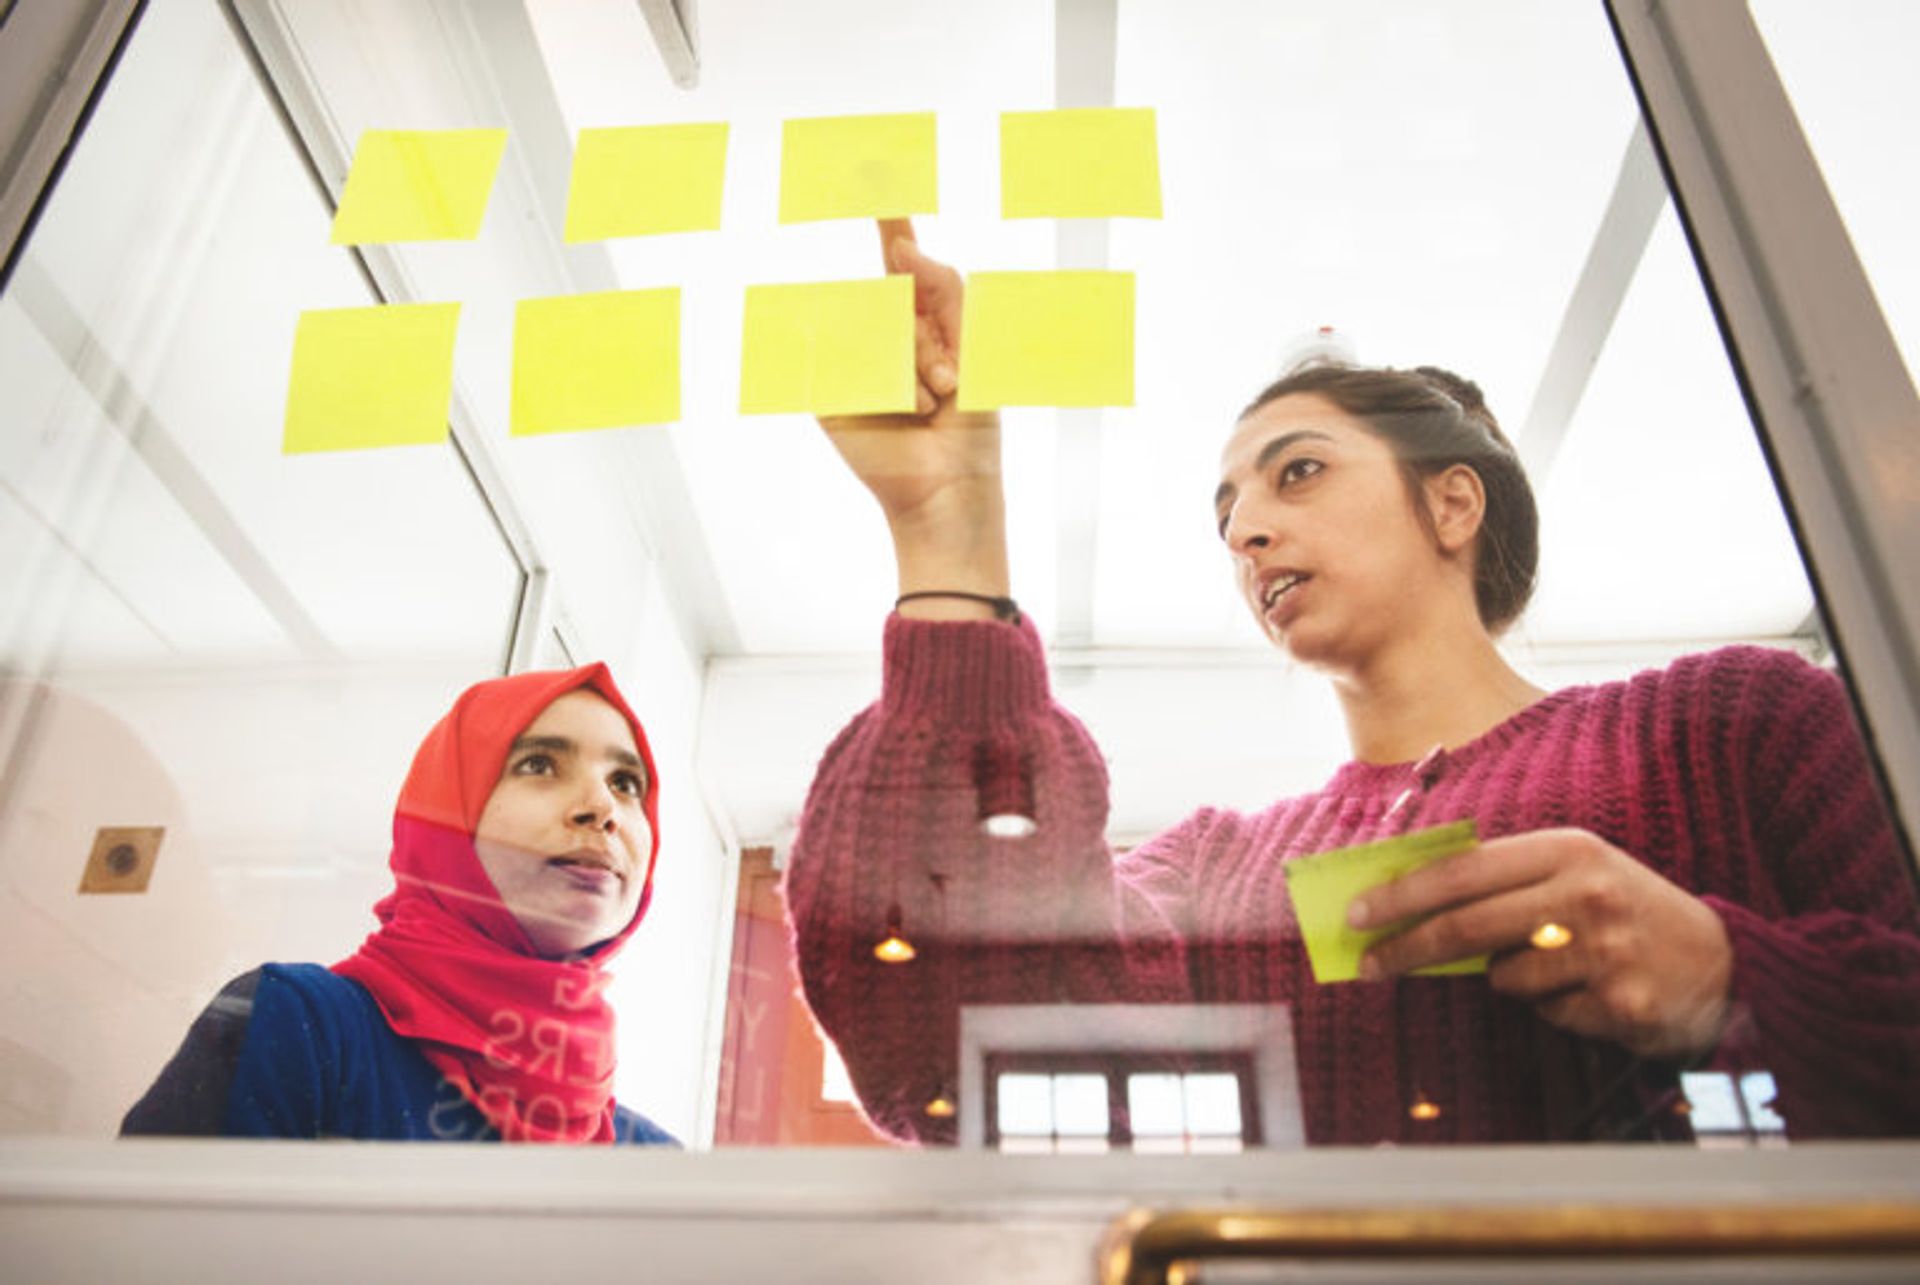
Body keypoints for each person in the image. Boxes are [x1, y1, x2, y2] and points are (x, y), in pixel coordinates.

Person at [782, 219, 1920, 1146]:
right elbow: (945, 1044)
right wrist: (949, 529)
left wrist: (1730, 976)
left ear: (1453, 503)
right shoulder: (1212, 867)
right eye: (1228, 515)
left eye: (1300, 473)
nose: (1252, 533)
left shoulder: (1735, 724)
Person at [122, 664, 677, 1144]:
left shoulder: (651, 1163)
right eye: (538, 765)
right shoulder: (303, 1027)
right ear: (447, 814)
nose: (602, 807)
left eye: (627, 782)